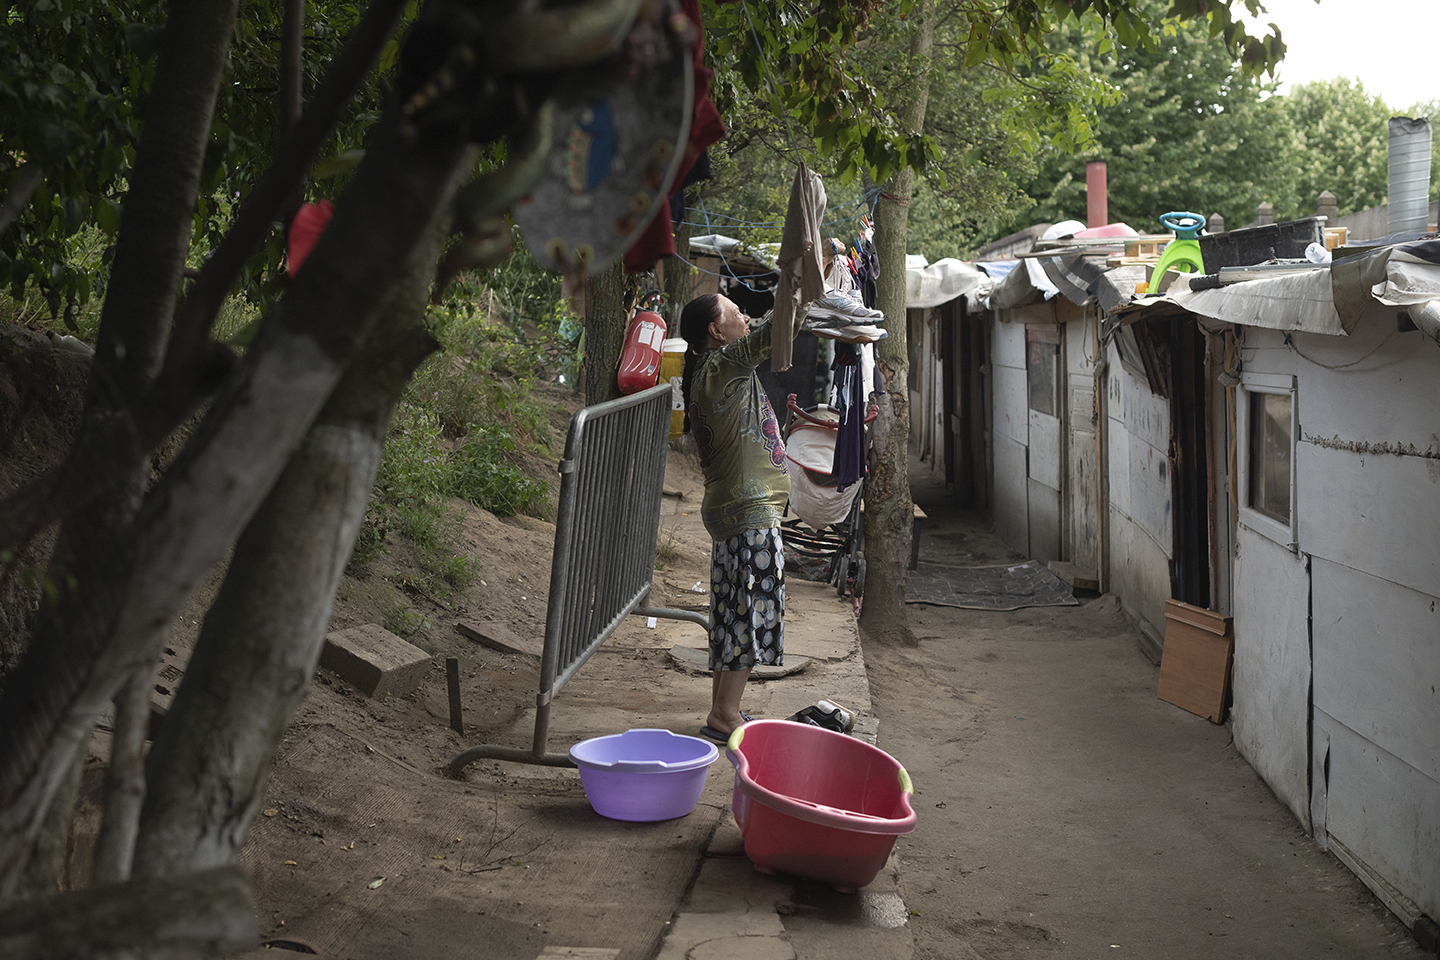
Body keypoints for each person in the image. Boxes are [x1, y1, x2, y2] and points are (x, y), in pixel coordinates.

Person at [679, 293, 789, 743]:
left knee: (731, 611)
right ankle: (725, 713)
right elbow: (774, 328)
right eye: (733, 311)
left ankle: (722, 711)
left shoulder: (710, 369)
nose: (743, 315)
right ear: (715, 330)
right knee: (747, 611)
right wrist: (807, 276)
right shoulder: (724, 365)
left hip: (735, 511)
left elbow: (764, 321)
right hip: (749, 511)